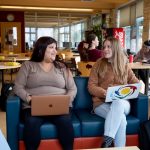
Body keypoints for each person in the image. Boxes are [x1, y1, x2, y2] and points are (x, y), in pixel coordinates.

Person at [14, 36, 77, 150]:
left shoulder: (62, 66)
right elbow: (18, 87)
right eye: (51, 47)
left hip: (60, 105)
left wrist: (67, 100)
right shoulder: (28, 66)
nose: (55, 51)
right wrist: (29, 99)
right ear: (41, 49)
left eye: (55, 48)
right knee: (32, 122)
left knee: (65, 121)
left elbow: (72, 88)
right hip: (33, 105)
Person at [88, 37, 139, 148]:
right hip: (101, 103)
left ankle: (107, 139)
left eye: (109, 47)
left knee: (118, 102)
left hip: (122, 103)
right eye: (104, 47)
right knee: (121, 120)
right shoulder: (98, 63)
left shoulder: (124, 65)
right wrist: (105, 93)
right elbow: (91, 86)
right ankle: (113, 144)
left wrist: (139, 85)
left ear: (115, 48)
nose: (105, 49)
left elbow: (135, 83)